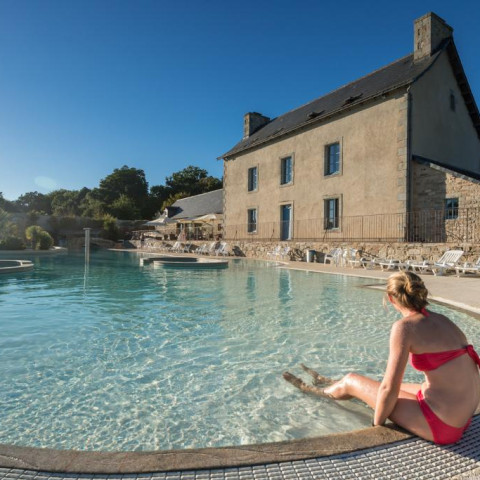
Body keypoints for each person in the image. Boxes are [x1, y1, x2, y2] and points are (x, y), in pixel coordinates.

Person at [283, 271, 480, 444]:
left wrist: (376, 426)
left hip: (443, 426)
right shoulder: (443, 320)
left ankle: (314, 390)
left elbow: (389, 388)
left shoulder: (405, 327)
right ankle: (331, 383)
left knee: (352, 380)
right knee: (381, 386)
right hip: (463, 416)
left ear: (391, 298)